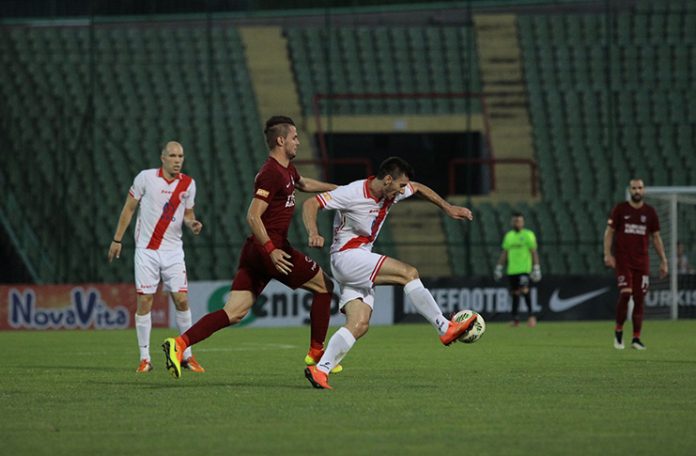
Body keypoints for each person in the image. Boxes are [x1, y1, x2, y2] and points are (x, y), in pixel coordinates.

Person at [162, 116, 339, 379]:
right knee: (325, 286)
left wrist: (338, 190)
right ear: (281, 140)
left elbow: (303, 184)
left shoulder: (287, 170)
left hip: (255, 251)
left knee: (233, 312)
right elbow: (253, 215)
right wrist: (271, 249)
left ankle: (179, 344)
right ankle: (316, 353)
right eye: (294, 138)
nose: (298, 142)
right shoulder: (271, 173)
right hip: (273, 249)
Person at [302, 156, 478, 390]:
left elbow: (419, 188)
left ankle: (321, 370)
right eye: (400, 185)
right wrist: (313, 232)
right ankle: (444, 327)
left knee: (359, 324)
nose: (403, 191)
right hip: (347, 257)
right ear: (387, 180)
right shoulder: (352, 192)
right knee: (408, 273)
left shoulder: (392, 191)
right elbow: (310, 204)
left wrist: (448, 208)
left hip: (358, 259)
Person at [108, 141, 205, 373]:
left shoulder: (189, 184)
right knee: (145, 301)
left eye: (180, 156)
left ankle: (186, 355)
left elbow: (188, 214)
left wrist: (192, 223)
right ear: (163, 158)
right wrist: (117, 239)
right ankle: (145, 358)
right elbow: (129, 208)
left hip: (173, 252)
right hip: (147, 251)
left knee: (181, 300)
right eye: (173, 155)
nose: (177, 160)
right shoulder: (145, 178)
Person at [604, 178, 668, 350]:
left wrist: (663, 260)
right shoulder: (620, 209)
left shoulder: (650, 212)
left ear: (644, 190)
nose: (637, 191)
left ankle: (636, 338)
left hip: (642, 261)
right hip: (623, 259)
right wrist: (607, 254)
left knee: (639, 299)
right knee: (626, 293)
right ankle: (618, 331)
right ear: (629, 190)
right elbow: (609, 232)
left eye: (639, 188)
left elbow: (656, 237)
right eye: (634, 188)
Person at [493, 212, 541, 327]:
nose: (517, 223)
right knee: (515, 293)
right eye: (515, 221)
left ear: (523, 222)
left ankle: (531, 317)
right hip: (512, 270)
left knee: (525, 290)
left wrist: (536, 267)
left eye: (519, 221)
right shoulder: (509, 236)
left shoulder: (528, 235)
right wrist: (499, 267)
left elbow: (533, 251)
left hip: (524, 269)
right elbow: (505, 253)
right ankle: (515, 319)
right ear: (512, 222)